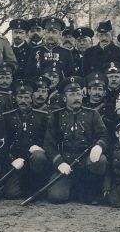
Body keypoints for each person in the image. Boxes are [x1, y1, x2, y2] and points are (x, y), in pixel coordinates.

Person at [43, 75, 109, 204]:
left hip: (85, 163)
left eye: (79, 94)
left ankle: (89, 187)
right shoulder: (56, 116)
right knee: (56, 197)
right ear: (64, 97)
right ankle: (71, 188)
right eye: (72, 95)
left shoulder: (92, 114)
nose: (77, 98)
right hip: (66, 163)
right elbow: (49, 144)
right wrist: (59, 163)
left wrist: (99, 146)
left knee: (101, 161)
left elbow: (104, 136)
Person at [2, 79, 50, 200]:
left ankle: (36, 185)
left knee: (38, 157)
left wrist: (40, 149)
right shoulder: (7, 116)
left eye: (27, 97)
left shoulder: (43, 116)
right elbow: (3, 142)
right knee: (11, 194)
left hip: (34, 159)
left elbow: (48, 140)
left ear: (32, 98)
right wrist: (12, 159)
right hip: (16, 160)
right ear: (16, 98)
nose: (23, 101)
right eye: (20, 97)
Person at [82, 20, 120, 89]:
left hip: (117, 91)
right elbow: (85, 74)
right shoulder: (89, 52)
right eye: (101, 35)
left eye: (107, 35)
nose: (104, 38)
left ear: (111, 35)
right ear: (97, 36)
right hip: (96, 91)